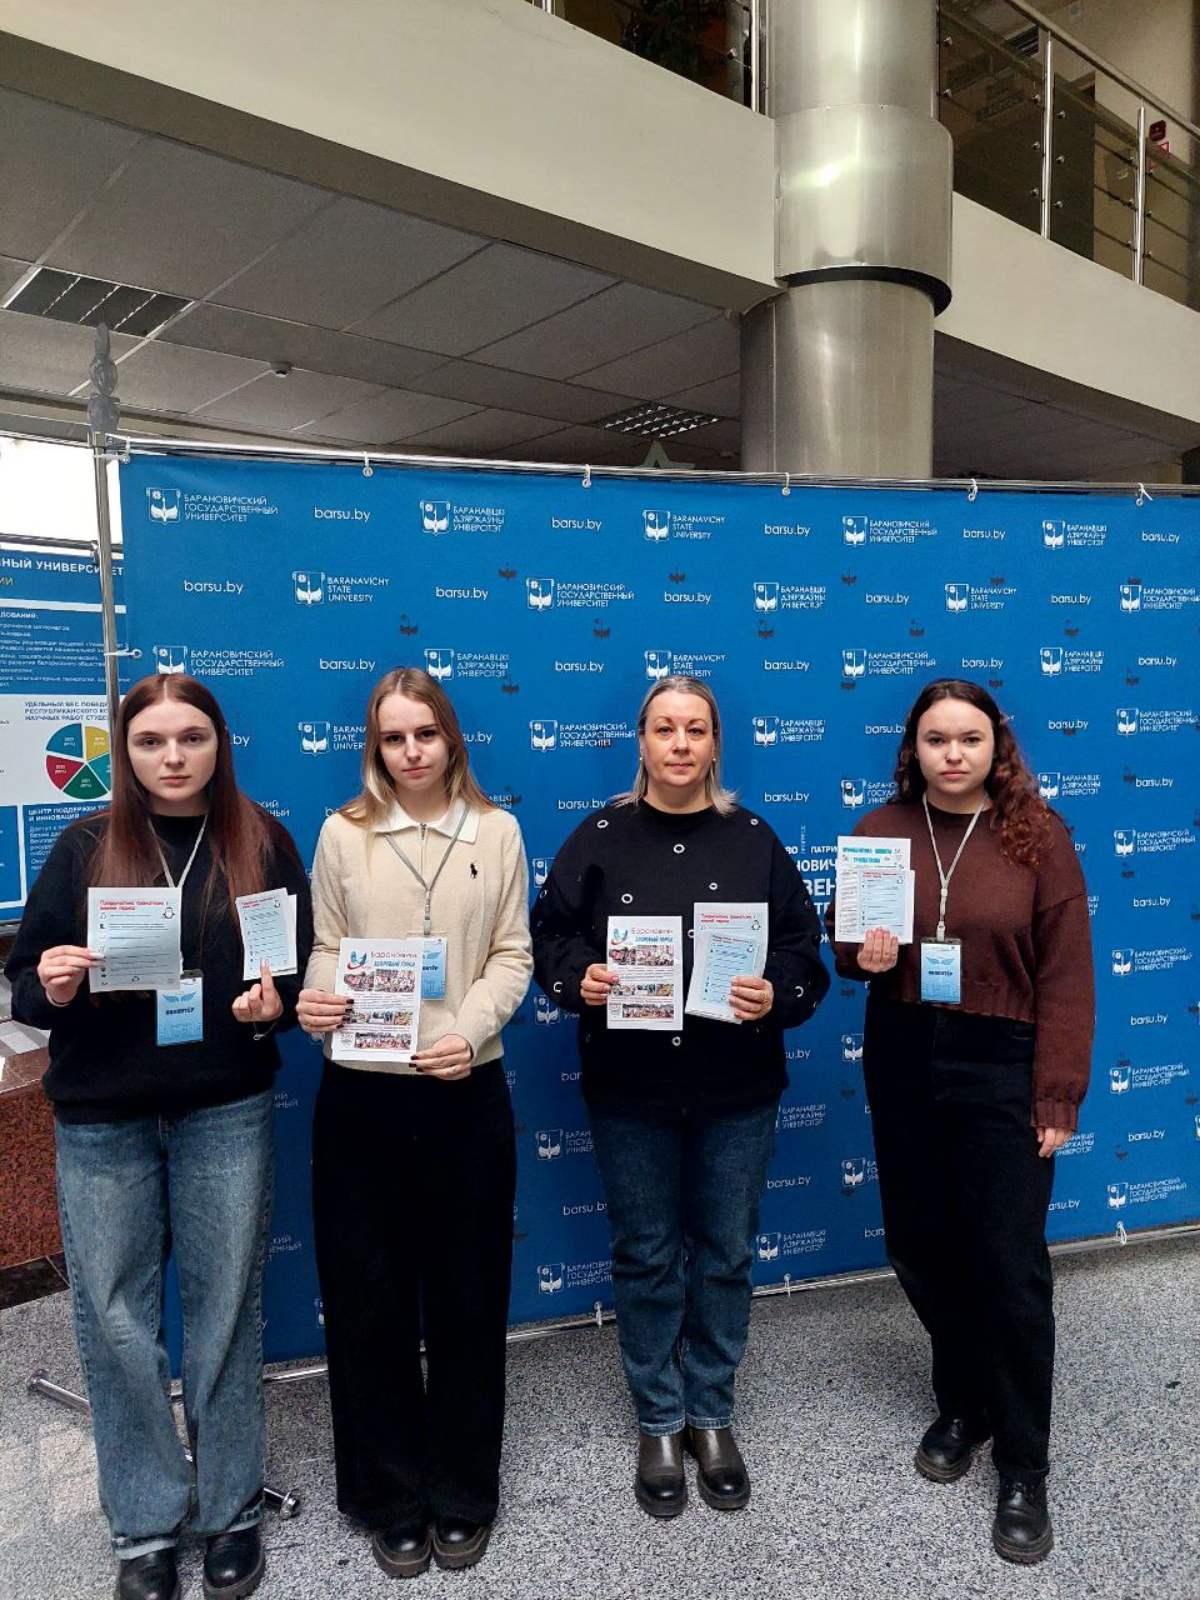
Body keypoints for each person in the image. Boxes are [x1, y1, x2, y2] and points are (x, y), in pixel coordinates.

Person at [5, 674, 313, 1600]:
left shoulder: (261, 840)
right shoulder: (83, 847)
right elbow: (26, 985)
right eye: (150, 741)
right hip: (105, 1115)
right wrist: (51, 984)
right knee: (114, 1319)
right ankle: (143, 1525)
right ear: (126, 752)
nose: (172, 757)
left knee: (225, 1312)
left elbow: (292, 974)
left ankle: (230, 1511)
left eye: (190, 738)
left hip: (224, 1106)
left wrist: (272, 1008)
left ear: (219, 744)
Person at [530, 676, 828, 1518]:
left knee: (726, 1252)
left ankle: (712, 1412)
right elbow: (548, 934)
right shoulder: (599, 836)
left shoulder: (755, 840)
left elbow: (804, 951)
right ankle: (659, 1418)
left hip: (738, 1086)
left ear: (716, 743)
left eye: (696, 728)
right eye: (665, 728)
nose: (681, 743)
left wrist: (777, 990)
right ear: (642, 742)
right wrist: (577, 977)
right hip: (631, 1088)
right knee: (647, 1253)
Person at [826, 678, 1093, 1567]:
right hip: (904, 1046)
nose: (952, 754)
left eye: (969, 739)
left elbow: (1067, 975)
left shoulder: (1037, 834)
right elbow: (845, 944)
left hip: (1002, 1058)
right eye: (936, 739)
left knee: (1008, 1265)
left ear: (995, 748)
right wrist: (861, 954)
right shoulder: (881, 829)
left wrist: (1056, 1093)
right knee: (921, 1244)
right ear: (914, 748)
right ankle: (966, 1403)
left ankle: (1022, 1464)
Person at [297, 667, 531, 1578]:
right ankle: (387, 1493)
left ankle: (465, 1488)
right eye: (393, 738)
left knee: (469, 1297)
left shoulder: (497, 830)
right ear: (375, 747)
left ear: (451, 738)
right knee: (369, 1303)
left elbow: (511, 954)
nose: (411, 752)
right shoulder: (342, 833)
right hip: (362, 1095)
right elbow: (326, 945)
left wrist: (468, 1032)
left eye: (424, 734)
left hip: (466, 1088)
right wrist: (319, 997)